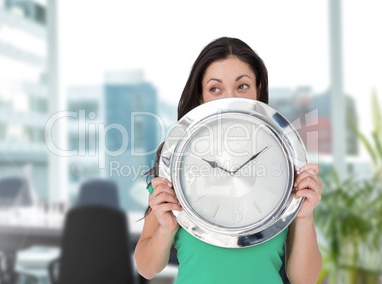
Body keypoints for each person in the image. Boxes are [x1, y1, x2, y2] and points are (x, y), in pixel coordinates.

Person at [134, 36, 322, 283]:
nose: (230, 98)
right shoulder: (174, 170)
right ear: (201, 97)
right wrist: (166, 229)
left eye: (242, 86)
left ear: (258, 90)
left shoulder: (288, 168)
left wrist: (304, 216)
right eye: (215, 89)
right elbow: (146, 269)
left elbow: (304, 279)